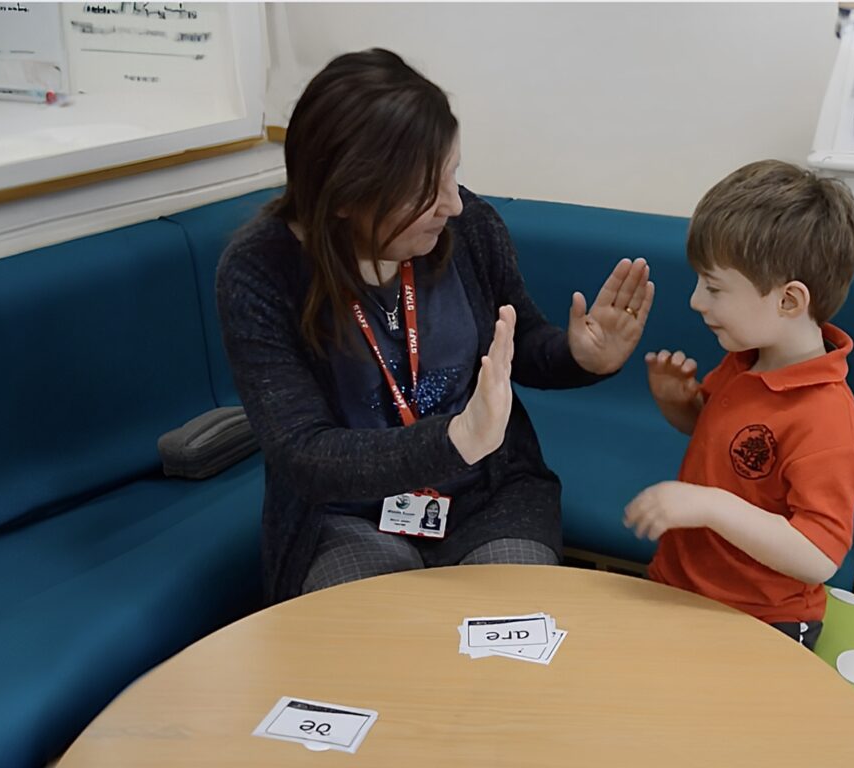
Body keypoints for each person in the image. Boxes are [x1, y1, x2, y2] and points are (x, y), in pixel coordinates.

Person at [217, 49, 654, 605]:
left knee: (509, 653)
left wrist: (581, 357)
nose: (452, 203)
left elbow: (519, 347)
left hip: (491, 496)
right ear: (348, 194)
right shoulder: (261, 271)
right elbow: (303, 454)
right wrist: (458, 438)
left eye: (452, 173)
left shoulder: (467, 228)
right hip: (348, 517)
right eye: (427, 187)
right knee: (374, 655)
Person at [623, 160, 854, 650]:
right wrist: (679, 405)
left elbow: (819, 555)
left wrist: (710, 506)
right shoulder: (744, 361)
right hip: (683, 588)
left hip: (762, 621)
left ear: (789, 301)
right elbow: (722, 442)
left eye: (713, 287)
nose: (696, 301)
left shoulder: (828, 420)